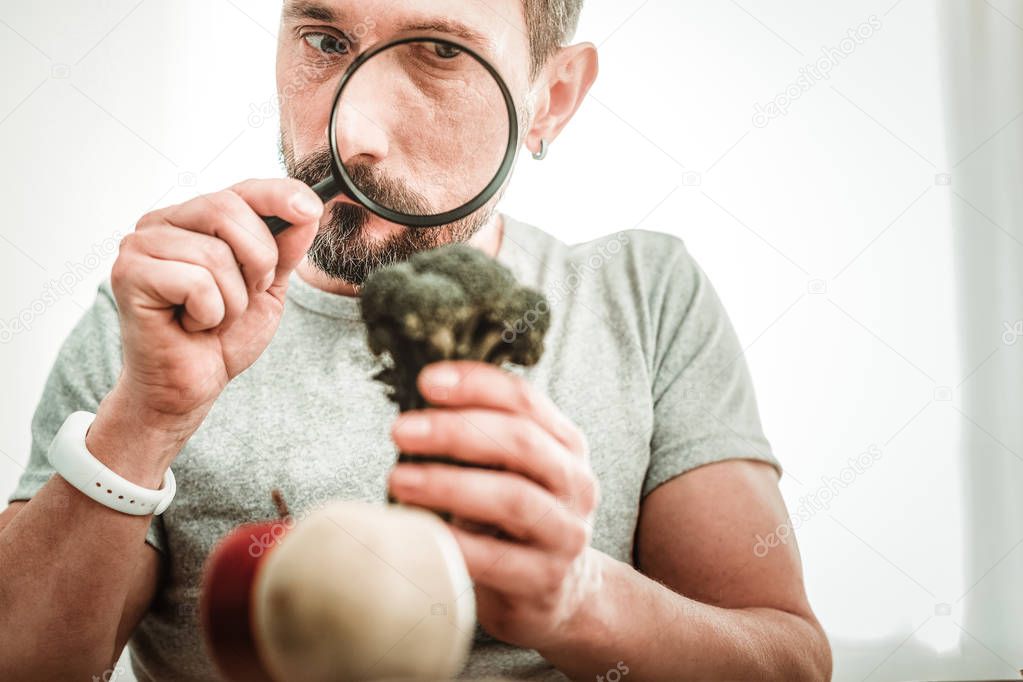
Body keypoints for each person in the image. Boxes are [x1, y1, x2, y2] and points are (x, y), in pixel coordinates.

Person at [0, 1, 831, 680]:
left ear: (550, 98)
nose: (350, 135)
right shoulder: (152, 325)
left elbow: (788, 663)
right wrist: (144, 423)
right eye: (324, 41)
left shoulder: (645, 295)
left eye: (436, 52)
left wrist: (577, 600)